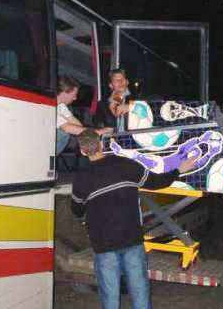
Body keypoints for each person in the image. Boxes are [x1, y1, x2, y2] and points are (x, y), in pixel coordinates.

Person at [71, 129, 196, 309]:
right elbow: (156, 182)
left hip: (103, 245)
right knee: (140, 291)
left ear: (82, 151)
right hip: (131, 239)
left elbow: (76, 210)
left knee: (110, 296)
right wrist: (179, 170)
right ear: (101, 144)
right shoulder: (126, 165)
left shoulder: (81, 178)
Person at [56, 76, 110, 155]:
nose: (75, 98)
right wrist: (99, 132)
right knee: (63, 134)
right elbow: (67, 128)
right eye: (74, 95)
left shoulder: (61, 106)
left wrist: (90, 136)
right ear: (65, 93)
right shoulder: (50, 106)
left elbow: (77, 125)